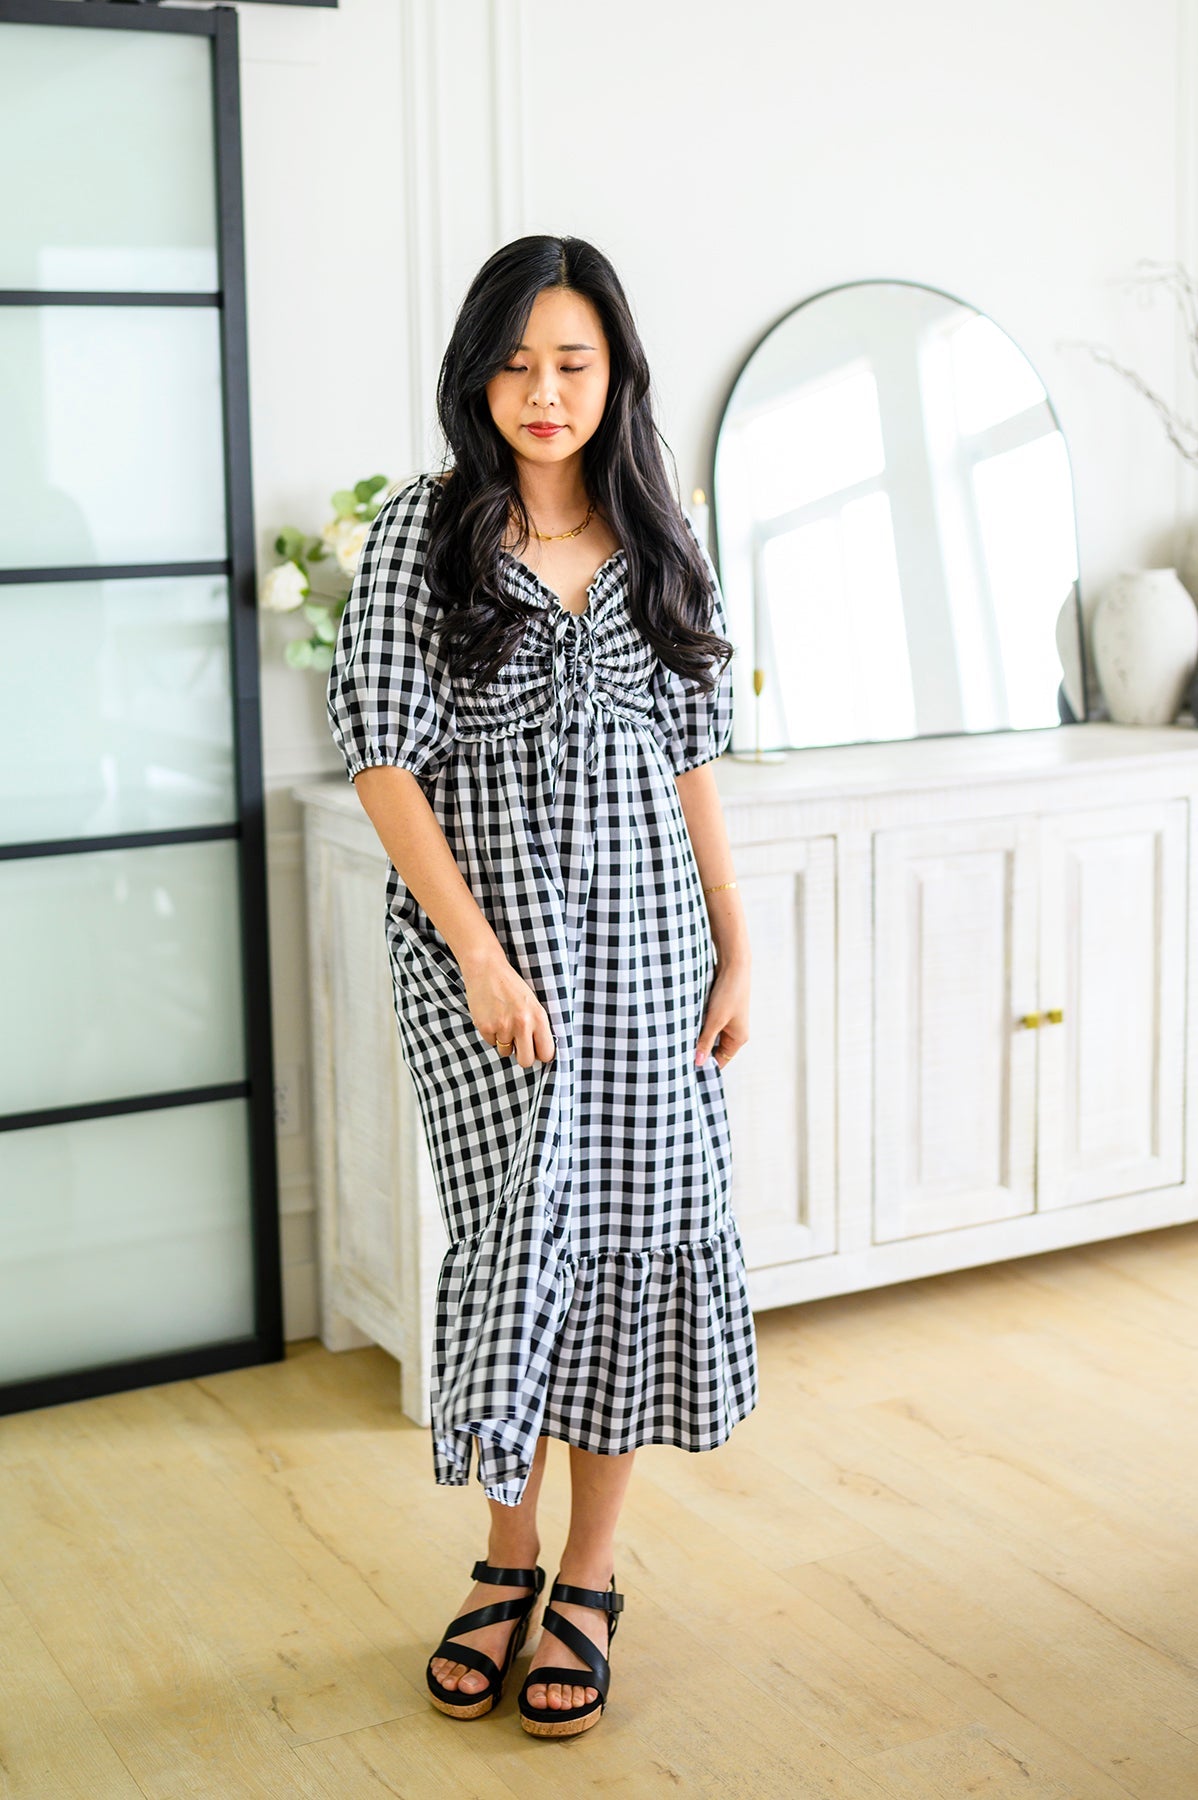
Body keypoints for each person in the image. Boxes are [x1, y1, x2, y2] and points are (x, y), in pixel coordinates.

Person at [326, 234, 757, 1740]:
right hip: (488, 959)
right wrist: (478, 952)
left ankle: (586, 1573)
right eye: (514, 360)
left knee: (636, 1235)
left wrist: (736, 937)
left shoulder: (663, 535)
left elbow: (693, 752)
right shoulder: (421, 535)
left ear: (614, 372)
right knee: (517, 1240)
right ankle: (500, 1558)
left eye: (571, 360)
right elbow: (383, 757)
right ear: (476, 375)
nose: (543, 389)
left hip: (650, 950)